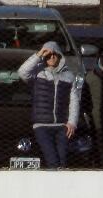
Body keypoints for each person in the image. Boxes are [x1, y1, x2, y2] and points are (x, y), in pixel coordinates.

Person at [18, 41, 83, 170]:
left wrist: (72, 122)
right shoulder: (37, 74)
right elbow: (22, 72)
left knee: (62, 162)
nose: (51, 57)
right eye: (48, 55)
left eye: (55, 54)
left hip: (61, 126)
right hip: (42, 125)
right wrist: (39, 54)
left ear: (60, 56)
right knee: (52, 161)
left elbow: (74, 101)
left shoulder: (69, 76)